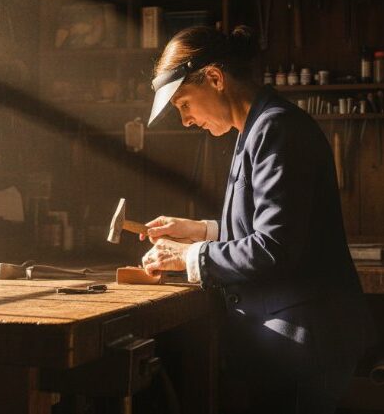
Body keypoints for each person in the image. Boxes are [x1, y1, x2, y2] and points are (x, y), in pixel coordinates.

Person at [141, 25, 372, 413]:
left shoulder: (275, 128)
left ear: (214, 78)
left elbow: (274, 248)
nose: (186, 121)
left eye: (184, 104)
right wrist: (201, 230)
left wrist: (188, 257)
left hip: (303, 343)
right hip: (293, 341)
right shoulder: (254, 128)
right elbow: (275, 226)